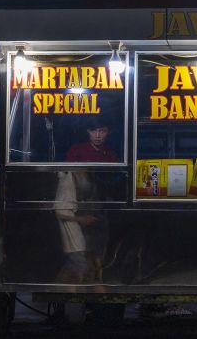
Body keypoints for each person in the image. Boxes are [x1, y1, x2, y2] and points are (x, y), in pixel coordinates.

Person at [55, 116, 117, 284]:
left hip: (101, 210)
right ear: (88, 132)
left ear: (107, 133)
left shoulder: (110, 154)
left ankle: (96, 283)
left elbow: (112, 183)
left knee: (98, 255)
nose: (98, 135)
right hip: (78, 209)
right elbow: (68, 180)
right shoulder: (77, 151)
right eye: (94, 131)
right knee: (79, 259)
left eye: (102, 131)